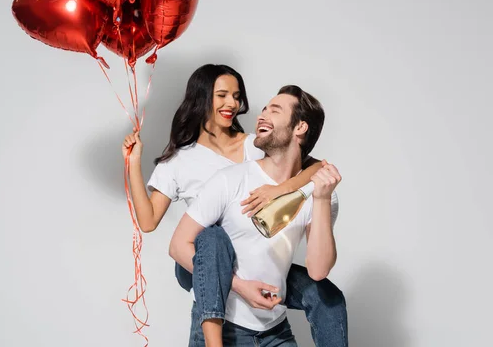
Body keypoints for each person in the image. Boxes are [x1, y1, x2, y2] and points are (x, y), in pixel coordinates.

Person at [122, 65, 347, 346]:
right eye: (222, 95)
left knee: (326, 296)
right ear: (202, 98)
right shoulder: (180, 161)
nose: (233, 104)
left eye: (237, 96)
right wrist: (133, 165)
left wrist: (279, 190)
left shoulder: (258, 144)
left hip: (259, 256)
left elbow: (313, 166)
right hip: (205, 258)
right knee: (212, 238)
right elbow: (148, 221)